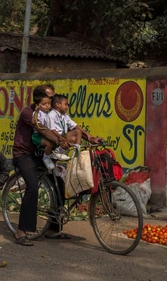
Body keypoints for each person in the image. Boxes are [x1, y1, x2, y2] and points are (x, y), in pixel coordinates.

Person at [12, 84, 102, 246]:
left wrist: (90, 137)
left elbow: (73, 126)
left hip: (41, 154)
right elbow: (43, 131)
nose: (52, 101)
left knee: (59, 185)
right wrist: (60, 140)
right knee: (32, 187)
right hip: (24, 155)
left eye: (53, 98)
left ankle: (53, 229)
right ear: (40, 99)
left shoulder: (52, 113)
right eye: (49, 98)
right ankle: (21, 231)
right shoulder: (29, 113)